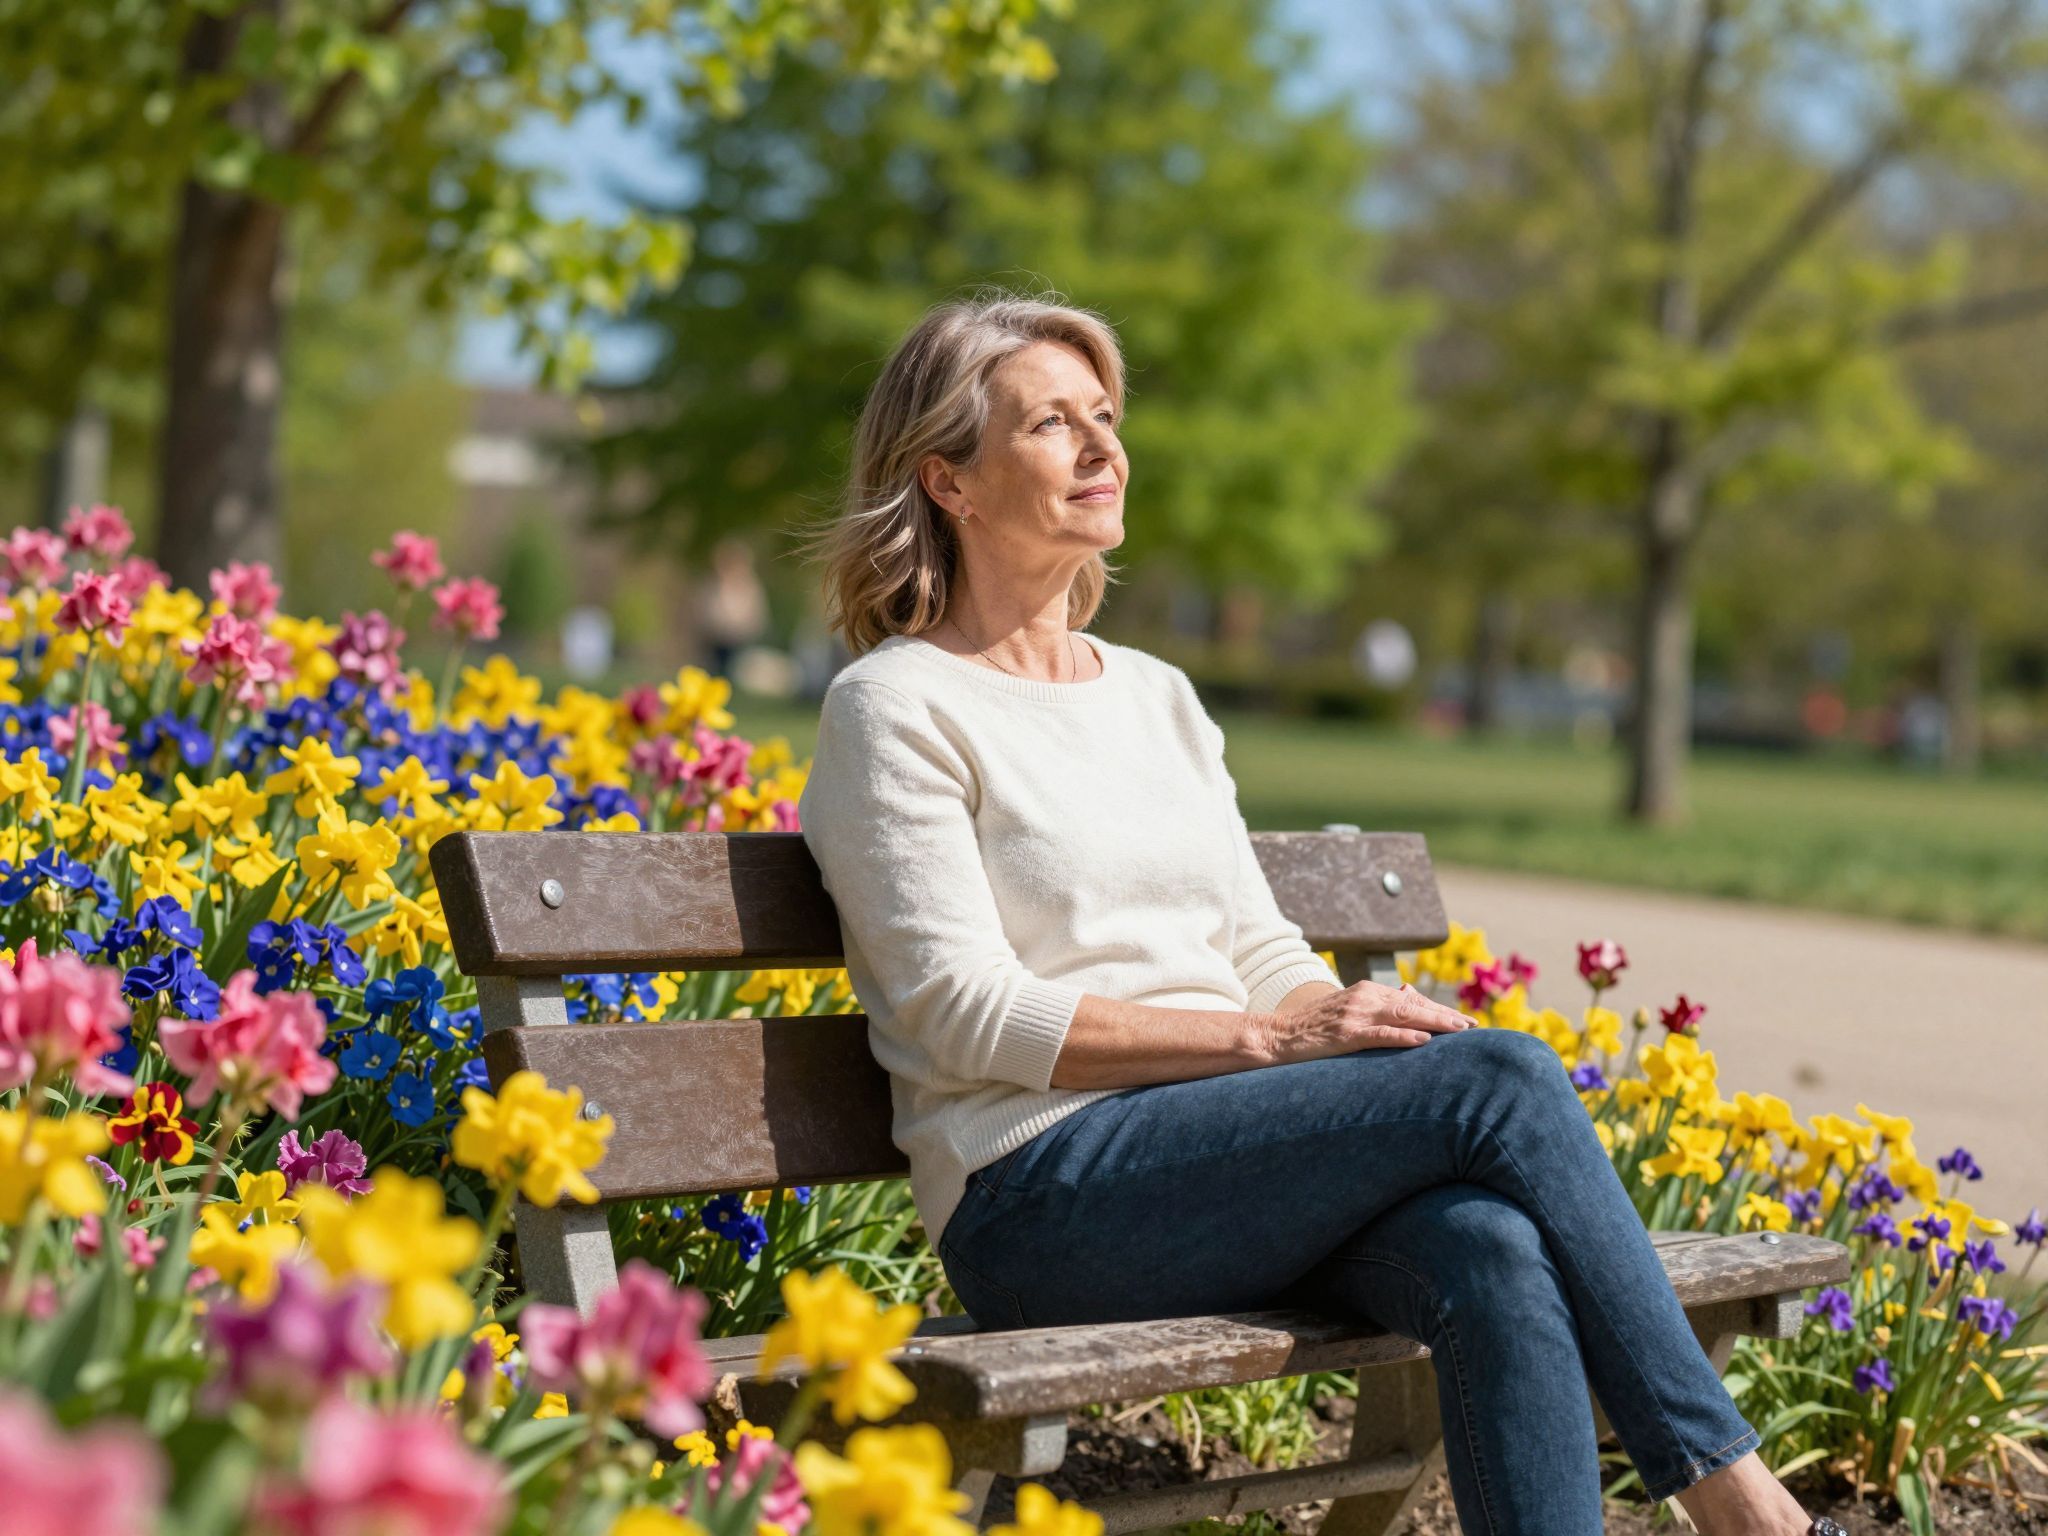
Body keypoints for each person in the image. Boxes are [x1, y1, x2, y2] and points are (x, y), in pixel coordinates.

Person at [792, 290, 1839, 1536]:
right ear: (947, 481)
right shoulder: (895, 706)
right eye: (1050, 424)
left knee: (1485, 1248)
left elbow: (1254, 947)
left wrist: (1338, 1017)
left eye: (1106, 417)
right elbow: (960, 1013)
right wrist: (1264, 1043)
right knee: (1498, 1081)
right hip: (1043, 1191)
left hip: (1223, 1156)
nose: (1100, 447)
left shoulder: (1157, 698)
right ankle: (1751, 1514)